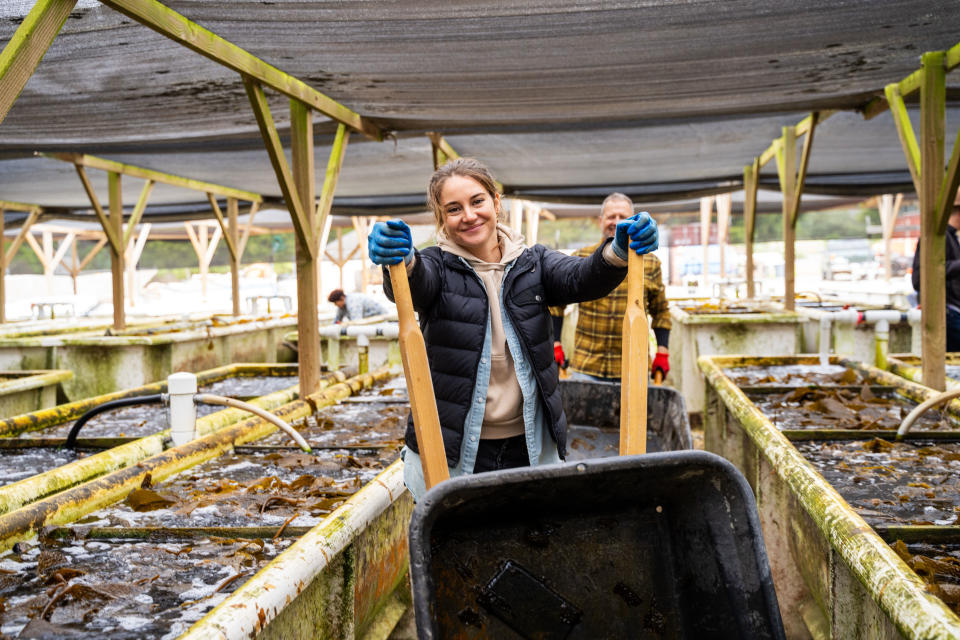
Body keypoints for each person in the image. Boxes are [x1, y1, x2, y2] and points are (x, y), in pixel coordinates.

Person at [367, 158, 658, 501]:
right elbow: (416, 285)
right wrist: (400, 262)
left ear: (495, 201)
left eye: (477, 201)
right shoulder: (435, 266)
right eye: (454, 209)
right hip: (454, 451)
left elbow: (580, 277)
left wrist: (616, 252)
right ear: (441, 217)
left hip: (528, 445)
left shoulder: (533, 262)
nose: (470, 215)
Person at [550, 193, 671, 383]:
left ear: (634, 221)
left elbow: (661, 311)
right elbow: (556, 303)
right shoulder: (581, 257)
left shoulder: (650, 264)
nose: (617, 222)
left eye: (623, 217)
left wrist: (662, 351)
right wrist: (555, 343)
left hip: (634, 369)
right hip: (587, 368)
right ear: (600, 221)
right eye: (611, 217)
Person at [912, 188, 960, 351]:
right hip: (945, 314)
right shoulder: (939, 237)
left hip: (948, 313)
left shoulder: (950, 237)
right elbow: (922, 277)